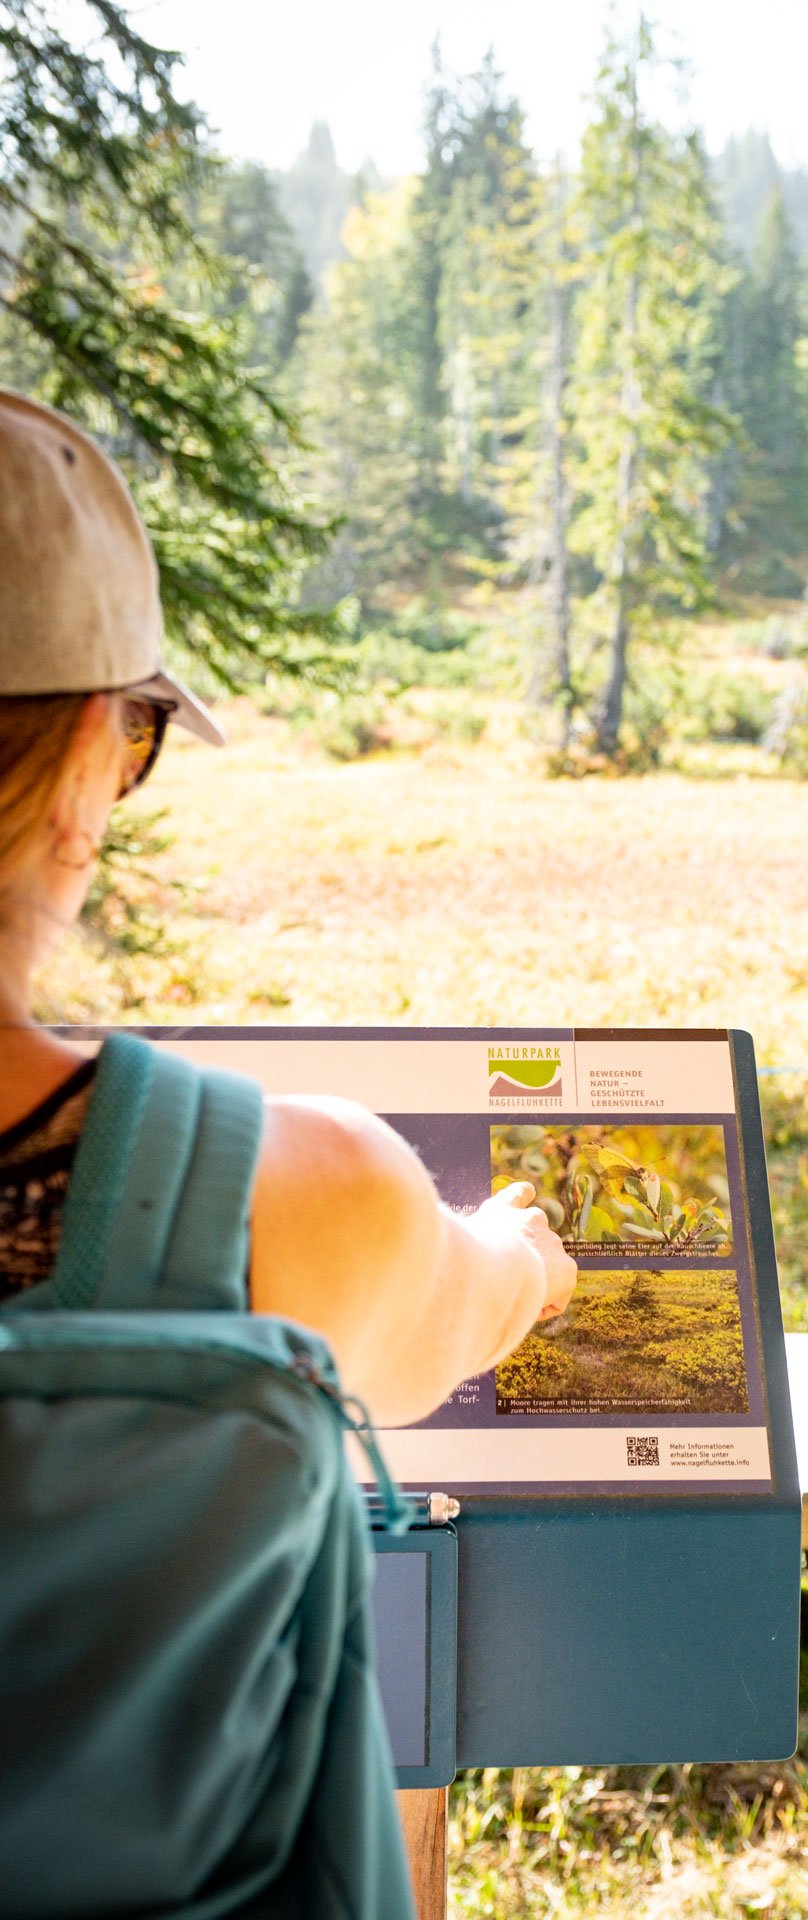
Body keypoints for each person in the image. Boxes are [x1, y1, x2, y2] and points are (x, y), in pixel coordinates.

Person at [0, 386, 577, 1420]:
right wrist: (523, 1258)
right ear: (89, 759)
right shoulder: (309, 1197)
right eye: (136, 736)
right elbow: (478, 1298)